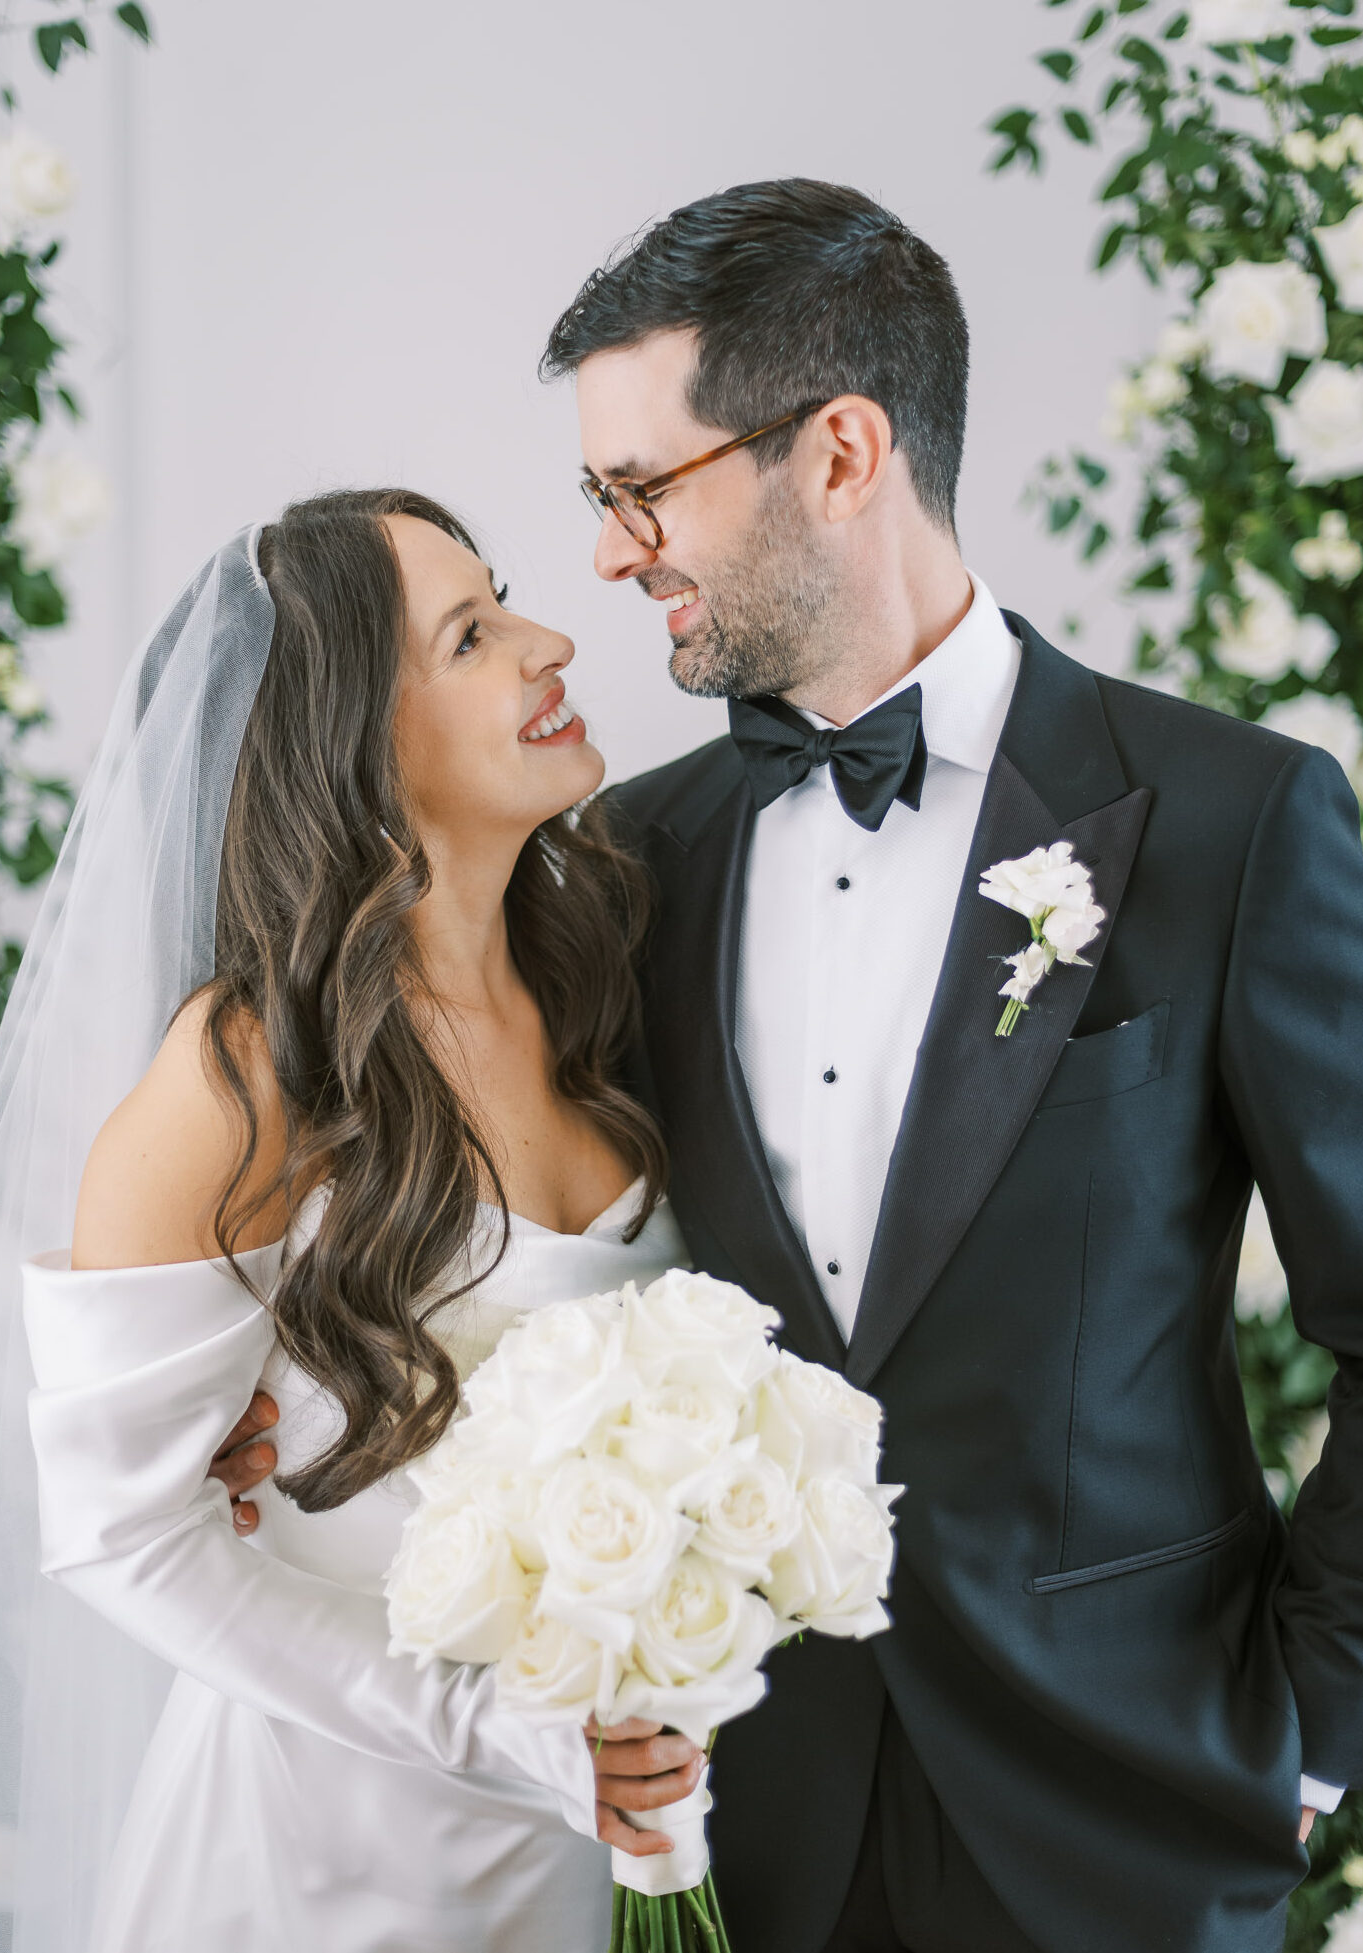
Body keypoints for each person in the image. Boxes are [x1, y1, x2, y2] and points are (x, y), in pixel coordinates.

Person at [528, 176, 1363, 1953]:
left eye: (639, 488)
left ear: (838, 449)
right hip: (748, 1818)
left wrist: (1306, 1743)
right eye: (595, 497)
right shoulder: (625, 859)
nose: (611, 553)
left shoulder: (1235, 818)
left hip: (1130, 1814)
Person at [0, 490, 703, 1953]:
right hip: (317, 1863)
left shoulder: (610, 977)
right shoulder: (244, 1073)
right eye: (473, 636)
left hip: (596, 1834)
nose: (551, 641)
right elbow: (124, 1538)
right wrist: (499, 1726)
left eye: (504, 600)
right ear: (355, 746)